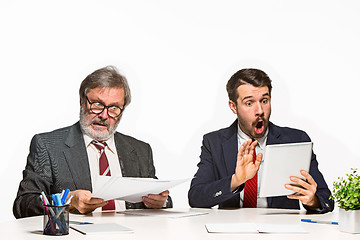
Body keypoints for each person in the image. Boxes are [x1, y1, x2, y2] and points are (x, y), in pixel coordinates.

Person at [13, 66, 172, 218]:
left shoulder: (141, 150)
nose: (104, 115)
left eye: (114, 108)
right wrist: (67, 201)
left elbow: (163, 198)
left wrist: (160, 202)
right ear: (82, 101)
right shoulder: (48, 146)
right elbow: (23, 204)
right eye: (97, 104)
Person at [188, 68, 334, 213]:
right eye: (249, 103)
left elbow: (327, 200)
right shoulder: (214, 143)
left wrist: (312, 200)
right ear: (233, 107)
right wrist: (235, 181)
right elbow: (196, 197)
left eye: (264, 101)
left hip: (281, 231)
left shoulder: (296, 140)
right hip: (232, 230)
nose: (260, 111)